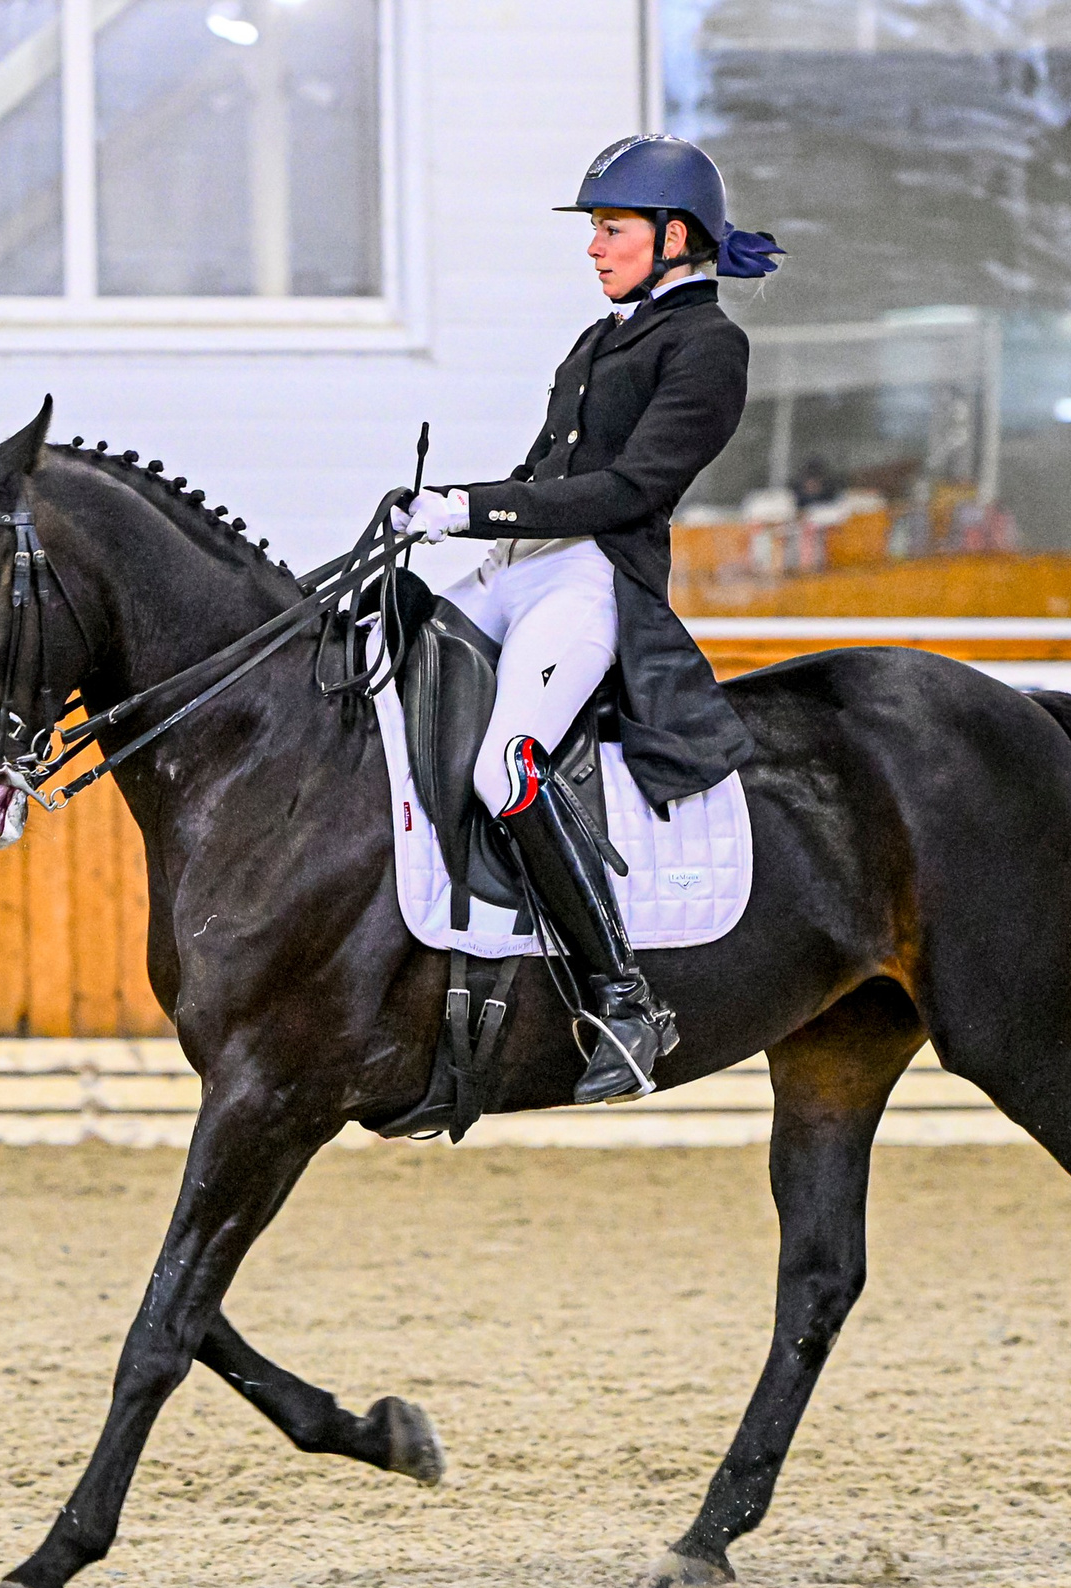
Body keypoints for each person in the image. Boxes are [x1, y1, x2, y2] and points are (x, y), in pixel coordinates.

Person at [392, 136, 781, 1103]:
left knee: (503, 760)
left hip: (592, 579)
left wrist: (470, 507)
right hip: (520, 567)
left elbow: (627, 489)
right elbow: (544, 471)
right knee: (383, 669)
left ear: (672, 235)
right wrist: (451, 522)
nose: (596, 248)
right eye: (597, 230)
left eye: (611, 229)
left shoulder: (707, 347)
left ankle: (623, 995)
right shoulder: (600, 337)